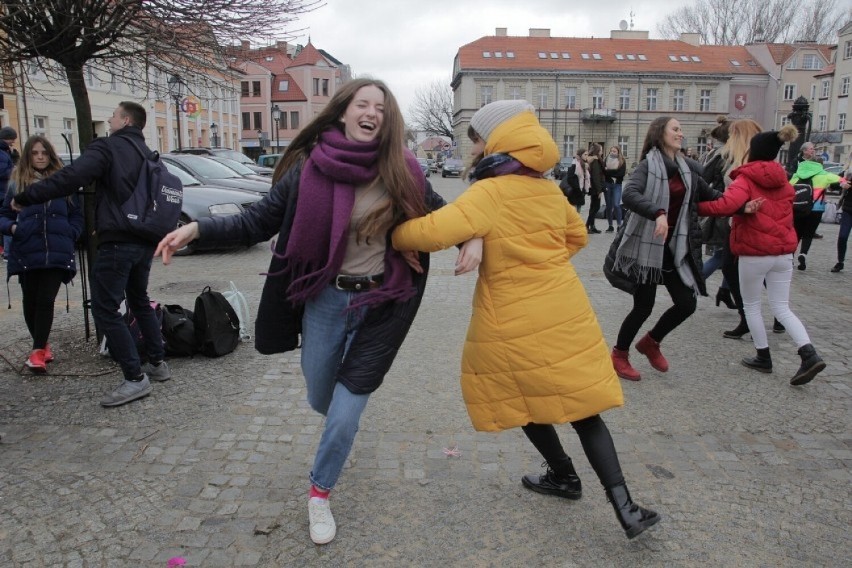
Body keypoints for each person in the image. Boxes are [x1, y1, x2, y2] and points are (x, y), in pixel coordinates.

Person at [154, 78, 481, 545]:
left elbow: (443, 215)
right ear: (344, 112)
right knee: (318, 398)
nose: (372, 113)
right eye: (363, 104)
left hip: (382, 302)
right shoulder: (310, 167)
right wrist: (198, 230)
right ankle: (340, 430)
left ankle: (320, 491)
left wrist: (475, 235)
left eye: (382, 109)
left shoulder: (403, 168)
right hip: (324, 300)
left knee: (347, 409)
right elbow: (259, 219)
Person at [392, 99, 660, 540]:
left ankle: (563, 475)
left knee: (522, 394)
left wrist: (391, 233)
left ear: (497, 141)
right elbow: (576, 236)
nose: (474, 147)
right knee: (584, 409)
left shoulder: (489, 193)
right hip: (564, 306)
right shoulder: (547, 189)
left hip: (513, 314)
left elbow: (431, 231)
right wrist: (541, 260)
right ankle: (626, 507)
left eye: (477, 138)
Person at [11, 102, 171, 406]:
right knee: (138, 298)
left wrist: (27, 196)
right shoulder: (147, 153)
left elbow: (70, 177)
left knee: (105, 308)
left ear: (124, 120)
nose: (109, 119)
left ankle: (135, 378)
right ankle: (158, 363)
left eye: (113, 115)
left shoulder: (109, 147)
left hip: (118, 240)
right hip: (144, 240)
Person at [698, 125, 827, 385]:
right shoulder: (784, 179)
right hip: (783, 253)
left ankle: (763, 356)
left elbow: (726, 205)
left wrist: (695, 206)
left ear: (753, 152)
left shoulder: (746, 178)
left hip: (755, 252)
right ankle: (808, 353)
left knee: (752, 305)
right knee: (782, 307)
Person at [605, 117, 721, 381]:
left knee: (687, 303)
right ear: (660, 134)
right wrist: (657, 213)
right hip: (648, 250)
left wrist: (743, 204)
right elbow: (630, 194)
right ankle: (619, 354)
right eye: (676, 129)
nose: (681, 134)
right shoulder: (648, 166)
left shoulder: (687, 169)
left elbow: (712, 197)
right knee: (643, 306)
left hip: (675, 248)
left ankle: (651, 342)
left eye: (681, 130)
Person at [0, 136, 83, 371]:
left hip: (56, 249)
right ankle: (42, 344)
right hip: (26, 248)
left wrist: (71, 232)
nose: (39, 157)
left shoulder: (63, 182)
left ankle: (36, 353)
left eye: (44, 153)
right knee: (31, 300)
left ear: (50, 155)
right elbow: (4, 214)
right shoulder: (17, 182)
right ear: (28, 155)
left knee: (46, 300)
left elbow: (76, 214)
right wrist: (13, 228)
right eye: (35, 153)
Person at [699, 116, 737, 312]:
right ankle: (696, 283)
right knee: (725, 254)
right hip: (725, 208)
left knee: (728, 254)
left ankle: (724, 290)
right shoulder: (724, 155)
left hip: (724, 206)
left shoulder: (717, 153)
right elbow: (703, 180)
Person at [789, 157, 849, 270]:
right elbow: (841, 180)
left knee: (796, 233)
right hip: (816, 209)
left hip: (798, 208)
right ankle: (803, 254)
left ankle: (790, 257)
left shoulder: (797, 174)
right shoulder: (824, 175)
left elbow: (788, 187)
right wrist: (843, 184)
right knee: (809, 233)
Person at [0, 126, 17, 260]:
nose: (13, 142)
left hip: (4, 191)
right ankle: (8, 252)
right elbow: (2, 172)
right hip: (2, 193)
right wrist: (15, 170)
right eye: (12, 139)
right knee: (8, 219)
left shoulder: (4, 152)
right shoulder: (1, 153)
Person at [832, 167, 852, 272]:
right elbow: (834, 183)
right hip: (848, 209)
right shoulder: (848, 171)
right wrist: (841, 184)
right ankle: (840, 262)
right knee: (843, 236)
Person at [603, 146, 626, 232]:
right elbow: (604, 172)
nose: (612, 152)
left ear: (618, 152)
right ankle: (610, 225)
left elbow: (621, 174)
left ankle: (619, 225)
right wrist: (612, 172)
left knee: (616, 204)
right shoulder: (606, 159)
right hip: (607, 184)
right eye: (611, 151)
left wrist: (608, 171)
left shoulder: (622, 161)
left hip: (617, 185)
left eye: (614, 151)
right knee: (609, 206)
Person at [585, 143, 605, 234]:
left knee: (593, 206)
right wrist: (599, 190)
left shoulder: (595, 160)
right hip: (595, 188)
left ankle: (592, 226)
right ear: (597, 151)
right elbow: (596, 176)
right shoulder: (596, 161)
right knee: (595, 207)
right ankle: (587, 225)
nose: (602, 152)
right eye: (601, 150)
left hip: (593, 187)